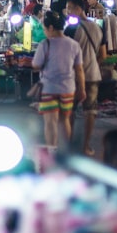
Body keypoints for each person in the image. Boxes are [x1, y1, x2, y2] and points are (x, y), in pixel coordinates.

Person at [32, 9, 85, 149]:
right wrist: (82, 89)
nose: (44, 32)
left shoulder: (45, 44)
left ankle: (52, 151)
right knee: (64, 120)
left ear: (51, 28)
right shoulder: (74, 44)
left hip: (49, 88)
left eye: (44, 29)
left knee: (50, 122)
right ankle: (66, 152)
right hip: (68, 89)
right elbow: (79, 69)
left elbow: (36, 65)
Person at [65, 0, 106, 157]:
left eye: (70, 8)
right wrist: (93, 63)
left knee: (71, 110)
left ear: (79, 9)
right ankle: (86, 145)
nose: (68, 12)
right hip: (93, 74)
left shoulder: (71, 29)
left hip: (74, 75)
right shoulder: (97, 27)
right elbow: (103, 54)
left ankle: (69, 144)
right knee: (90, 111)